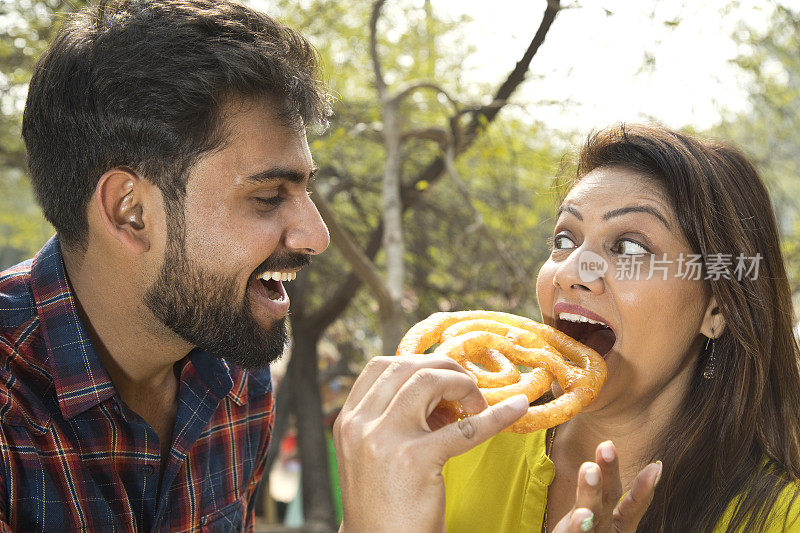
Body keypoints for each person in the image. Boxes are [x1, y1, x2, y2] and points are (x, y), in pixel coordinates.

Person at [335, 124, 800, 532]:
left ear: (716, 309)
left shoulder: (782, 518)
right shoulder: (442, 450)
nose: (571, 270)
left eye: (630, 248)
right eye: (564, 239)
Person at [0, 0, 334, 530]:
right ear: (131, 212)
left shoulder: (236, 370)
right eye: (269, 196)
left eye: (305, 189)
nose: (317, 236)